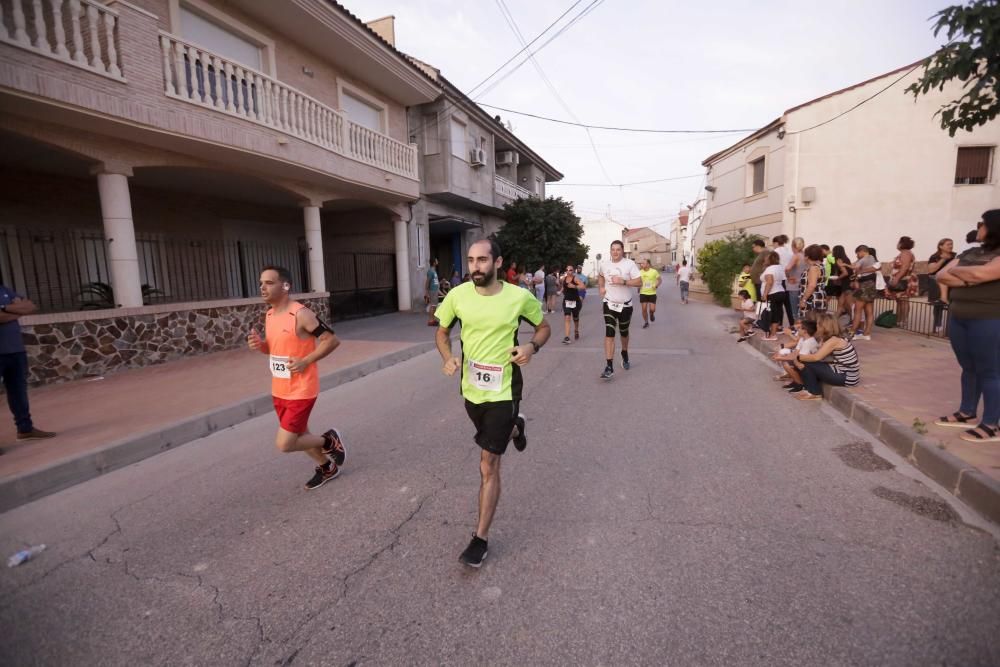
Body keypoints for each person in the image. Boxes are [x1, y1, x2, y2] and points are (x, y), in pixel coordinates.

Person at [435, 238, 551, 567]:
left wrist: (531, 348)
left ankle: (480, 538)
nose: (476, 266)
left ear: (498, 263)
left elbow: (543, 327)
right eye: (471, 260)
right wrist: (447, 357)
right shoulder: (457, 296)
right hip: (471, 391)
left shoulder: (519, 297)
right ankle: (516, 428)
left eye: (483, 260)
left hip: (505, 390)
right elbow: (442, 332)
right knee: (493, 441)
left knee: (488, 463)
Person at [247, 266, 345, 490]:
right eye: (261, 283)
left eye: (269, 283)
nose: (263, 287)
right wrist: (260, 346)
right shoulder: (270, 314)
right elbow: (274, 349)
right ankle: (327, 468)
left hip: (302, 389)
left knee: (285, 443)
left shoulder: (301, 314)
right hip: (279, 388)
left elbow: (331, 340)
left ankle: (329, 441)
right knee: (301, 434)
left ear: (285, 286)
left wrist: (306, 360)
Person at [934, 210, 1000, 443]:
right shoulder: (971, 252)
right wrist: (971, 276)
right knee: (968, 366)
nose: (978, 227)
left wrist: (962, 274)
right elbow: (941, 275)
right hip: (960, 317)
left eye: (981, 224)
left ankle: (991, 423)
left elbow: (984, 273)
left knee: (990, 371)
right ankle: (967, 411)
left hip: (989, 319)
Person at [0, 284, 55, 447]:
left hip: (15, 350)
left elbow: (30, 306)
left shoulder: (4, 289)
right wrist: (16, 310)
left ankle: (25, 429)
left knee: (18, 392)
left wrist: (4, 308)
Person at [792, 312, 860, 401]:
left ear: (824, 327)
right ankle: (809, 389)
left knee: (807, 362)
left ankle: (815, 393)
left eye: (818, 325)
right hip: (844, 373)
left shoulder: (833, 340)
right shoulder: (833, 338)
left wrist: (798, 357)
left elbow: (816, 357)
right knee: (808, 362)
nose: (817, 328)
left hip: (847, 377)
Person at [599, 240, 642, 379]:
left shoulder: (629, 264)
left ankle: (624, 352)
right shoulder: (604, 264)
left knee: (624, 333)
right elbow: (600, 275)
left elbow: (639, 281)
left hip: (625, 305)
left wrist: (623, 281)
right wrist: (601, 287)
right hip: (609, 303)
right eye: (613, 249)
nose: (615, 252)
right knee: (609, 333)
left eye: (618, 249)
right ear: (610, 251)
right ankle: (609, 366)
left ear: (622, 251)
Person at [772, 319, 819, 392]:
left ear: (805, 331)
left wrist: (781, 358)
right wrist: (781, 357)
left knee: (788, 364)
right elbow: (795, 353)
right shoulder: (803, 339)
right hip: (802, 360)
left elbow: (799, 357)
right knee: (786, 362)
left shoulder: (809, 342)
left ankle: (800, 384)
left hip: (809, 364)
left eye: (800, 328)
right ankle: (795, 381)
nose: (798, 329)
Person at [885, 236, 919, 327]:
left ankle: (903, 320)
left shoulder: (906, 253)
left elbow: (905, 267)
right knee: (900, 300)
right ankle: (899, 319)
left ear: (901, 244)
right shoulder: (904, 253)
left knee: (903, 300)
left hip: (904, 280)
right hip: (902, 279)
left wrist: (896, 279)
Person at [927, 238, 955, 334]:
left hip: (952, 283)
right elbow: (931, 270)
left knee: (951, 307)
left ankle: (948, 330)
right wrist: (943, 259)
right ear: (940, 246)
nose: (951, 246)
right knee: (938, 307)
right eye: (948, 244)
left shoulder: (956, 256)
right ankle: (937, 327)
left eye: (951, 244)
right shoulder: (935, 257)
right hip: (937, 285)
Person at [850, 245, 879, 340]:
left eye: (858, 253)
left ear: (862, 251)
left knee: (857, 310)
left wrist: (857, 272)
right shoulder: (873, 258)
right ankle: (867, 334)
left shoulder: (864, 259)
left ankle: (852, 332)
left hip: (864, 286)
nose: (857, 255)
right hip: (872, 285)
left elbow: (855, 268)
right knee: (869, 311)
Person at [760, 251, 790, 341]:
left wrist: (765, 294)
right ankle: (774, 333)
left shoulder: (770, 269)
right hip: (780, 292)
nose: (764, 259)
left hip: (772, 293)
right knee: (776, 314)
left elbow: (770, 282)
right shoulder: (780, 267)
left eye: (766, 258)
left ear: (769, 259)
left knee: (769, 315)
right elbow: (785, 278)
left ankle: (770, 335)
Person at [798, 244, 828, 317]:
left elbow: (812, 285)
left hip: (811, 301)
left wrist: (803, 300)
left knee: (808, 325)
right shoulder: (821, 266)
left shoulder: (813, 268)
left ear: (807, 256)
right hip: (819, 298)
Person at [561, 264, 585, 343]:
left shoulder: (575, 279)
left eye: (570, 270)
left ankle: (576, 330)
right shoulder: (564, 279)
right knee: (567, 317)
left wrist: (574, 286)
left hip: (575, 302)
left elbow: (582, 286)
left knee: (575, 319)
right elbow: (563, 287)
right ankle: (567, 337)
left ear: (573, 271)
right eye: (567, 270)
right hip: (566, 301)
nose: (568, 271)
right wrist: (560, 291)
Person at [785, 237, 806, 318]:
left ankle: (796, 329)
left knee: (795, 312)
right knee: (802, 311)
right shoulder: (805, 256)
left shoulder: (796, 256)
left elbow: (787, 268)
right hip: (803, 285)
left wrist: (788, 277)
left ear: (793, 246)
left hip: (794, 286)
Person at [638, 258, 662, 328]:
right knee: (644, 309)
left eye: (643, 263)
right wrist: (638, 288)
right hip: (643, 293)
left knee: (652, 309)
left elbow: (659, 280)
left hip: (652, 293)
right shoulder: (640, 272)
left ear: (648, 264)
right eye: (641, 263)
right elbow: (639, 281)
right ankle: (646, 322)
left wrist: (656, 285)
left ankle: (651, 314)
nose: (642, 264)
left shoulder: (654, 271)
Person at [425, 258, 441, 327]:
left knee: (434, 306)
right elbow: (427, 282)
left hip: (435, 290)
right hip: (432, 291)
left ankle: (433, 320)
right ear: (434, 263)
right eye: (437, 260)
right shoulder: (430, 271)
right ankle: (430, 321)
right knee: (433, 305)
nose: (438, 261)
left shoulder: (434, 271)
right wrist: (426, 292)